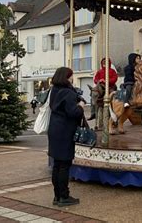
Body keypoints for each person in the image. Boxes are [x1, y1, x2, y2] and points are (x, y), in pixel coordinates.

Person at [48, 67, 85, 207]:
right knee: (64, 165)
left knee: (57, 165)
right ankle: (64, 196)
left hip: (55, 129)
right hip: (65, 131)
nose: (72, 78)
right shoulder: (67, 93)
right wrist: (81, 106)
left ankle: (57, 196)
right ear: (67, 77)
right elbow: (73, 112)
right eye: (71, 76)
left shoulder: (54, 91)